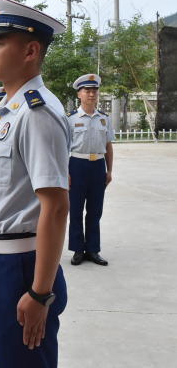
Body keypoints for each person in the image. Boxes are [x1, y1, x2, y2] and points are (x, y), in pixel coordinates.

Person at [0, 0, 70, 367]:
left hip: (21, 270)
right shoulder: (11, 111)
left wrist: (40, 293)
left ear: (30, 51)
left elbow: (56, 207)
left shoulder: (36, 113)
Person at [66, 73, 113, 266]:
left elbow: (108, 145)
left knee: (95, 210)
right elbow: (63, 148)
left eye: (94, 91)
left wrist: (109, 171)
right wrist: (65, 172)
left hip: (98, 166)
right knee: (76, 210)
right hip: (77, 165)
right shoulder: (70, 119)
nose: (92, 94)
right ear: (79, 94)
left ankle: (93, 249)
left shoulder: (104, 118)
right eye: (87, 91)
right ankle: (78, 249)